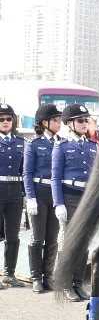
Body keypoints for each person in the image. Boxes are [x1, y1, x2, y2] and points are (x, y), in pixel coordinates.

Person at [52, 103, 98, 302]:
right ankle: (66, 284)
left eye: (86, 120)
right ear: (69, 124)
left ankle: (78, 284)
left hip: (87, 197)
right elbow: (55, 177)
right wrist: (58, 203)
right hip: (69, 197)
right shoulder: (61, 147)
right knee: (70, 243)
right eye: (80, 120)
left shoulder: (93, 146)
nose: (84, 123)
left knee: (85, 243)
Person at [23, 104, 63, 293]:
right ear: (44, 123)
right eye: (55, 120)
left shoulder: (61, 143)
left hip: (54, 194)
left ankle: (48, 276)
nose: (59, 123)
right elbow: (27, 173)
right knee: (37, 238)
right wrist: (30, 197)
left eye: (59, 119)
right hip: (39, 192)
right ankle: (36, 277)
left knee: (52, 238)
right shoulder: (34, 144)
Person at [0, 103, 26, 288]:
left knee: (13, 235)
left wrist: (26, 194)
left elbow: (25, 170)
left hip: (15, 190)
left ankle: (9, 273)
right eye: (1, 119)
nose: (5, 121)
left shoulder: (20, 141)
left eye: (9, 118)